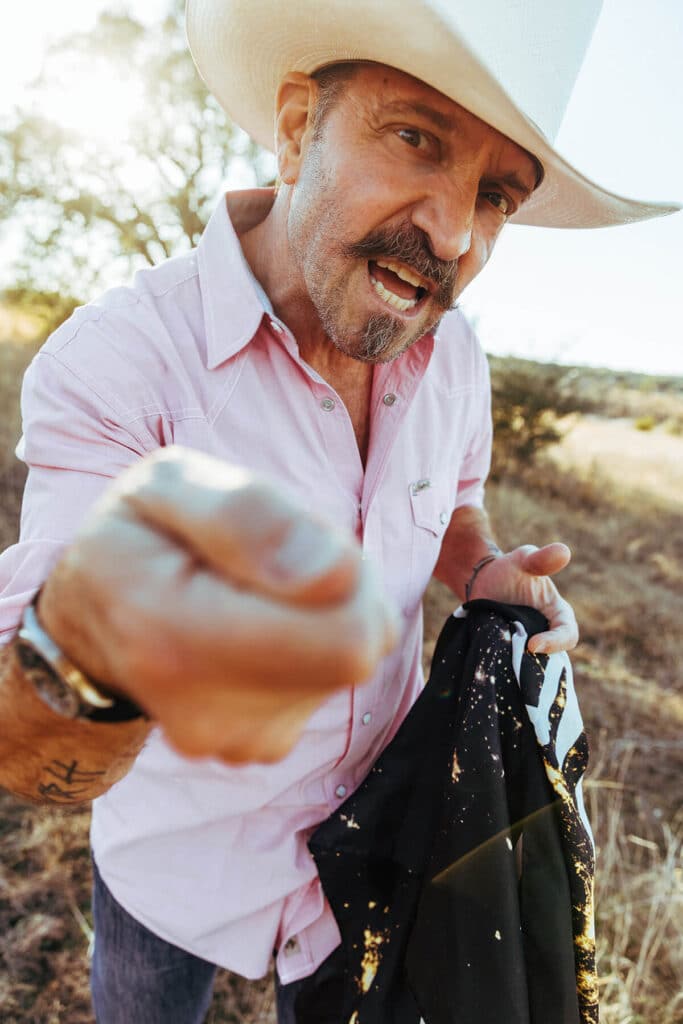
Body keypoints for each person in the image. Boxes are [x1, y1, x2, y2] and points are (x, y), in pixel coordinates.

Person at [0, 1, 678, 1021]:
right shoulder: (119, 361)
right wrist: (119, 623)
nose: (452, 232)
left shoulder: (454, 356)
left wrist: (482, 571)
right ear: (293, 129)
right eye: (414, 138)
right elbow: (32, 750)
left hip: (369, 858)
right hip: (170, 869)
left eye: (495, 195)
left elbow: (455, 502)